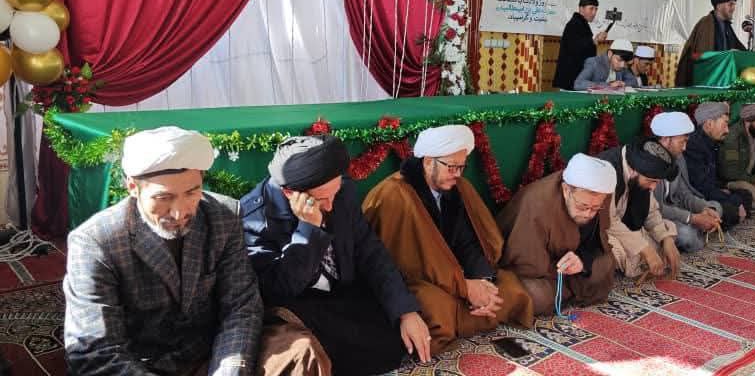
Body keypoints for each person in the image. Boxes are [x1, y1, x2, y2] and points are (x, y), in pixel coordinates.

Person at [64, 127, 321, 376]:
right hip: (140, 364)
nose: (179, 212)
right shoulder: (96, 242)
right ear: (133, 187)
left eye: (191, 193)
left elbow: (241, 307)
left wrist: (229, 371)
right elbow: (95, 351)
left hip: (211, 354)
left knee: (299, 351)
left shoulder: (223, 216)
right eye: (163, 198)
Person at [241, 136, 431, 375]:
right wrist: (308, 230)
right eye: (322, 199)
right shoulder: (255, 217)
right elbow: (279, 289)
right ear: (290, 193)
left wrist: (405, 311)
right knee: (314, 354)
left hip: (343, 294)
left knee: (402, 331)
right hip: (300, 309)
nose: (331, 206)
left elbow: (370, 251)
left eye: (335, 193)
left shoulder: (340, 190)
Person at [362, 125, 533, 355]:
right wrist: (465, 288)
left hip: (455, 275)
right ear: (428, 162)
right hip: (418, 280)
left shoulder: (457, 187)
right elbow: (409, 264)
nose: (458, 174)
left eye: (462, 167)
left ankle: (475, 307)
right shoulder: (394, 196)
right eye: (452, 167)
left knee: (509, 290)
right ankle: (469, 314)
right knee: (436, 310)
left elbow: (469, 242)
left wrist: (482, 281)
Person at [497, 153, 616, 315]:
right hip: (540, 272)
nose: (588, 214)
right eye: (582, 207)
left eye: (595, 208)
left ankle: (566, 292)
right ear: (566, 190)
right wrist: (563, 267)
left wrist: (582, 262)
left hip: (570, 268)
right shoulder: (537, 204)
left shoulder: (599, 198)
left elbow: (596, 243)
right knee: (538, 295)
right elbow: (526, 265)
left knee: (607, 262)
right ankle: (567, 292)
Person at [597, 139, 681, 281]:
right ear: (633, 171)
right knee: (614, 251)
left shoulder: (643, 175)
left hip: (625, 228)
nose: (653, 187)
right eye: (651, 181)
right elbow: (608, 221)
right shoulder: (606, 172)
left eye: (657, 182)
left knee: (664, 240)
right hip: (601, 228)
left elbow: (651, 212)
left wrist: (666, 239)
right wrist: (645, 250)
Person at [651, 112, 722, 253]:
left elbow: (684, 194)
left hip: (676, 210)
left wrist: (704, 208)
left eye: (686, 142)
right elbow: (656, 208)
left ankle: (698, 225)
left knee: (715, 207)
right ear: (666, 139)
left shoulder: (678, 157)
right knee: (687, 236)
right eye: (681, 142)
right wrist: (693, 218)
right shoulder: (649, 162)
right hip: (656, 217)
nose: (684, 148)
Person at [684, 102, 752, 230]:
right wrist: (732, 200)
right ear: (709, 124)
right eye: (724, 124)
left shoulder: (712, 142)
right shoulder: (694, 146)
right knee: (730, 209)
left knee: (745, 195)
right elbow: (700, 187)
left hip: (709, 190)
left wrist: (722, 190)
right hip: (697, 197)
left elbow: (712, 177)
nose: (727, 130)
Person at [674, 0, 746, 87]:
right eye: (730, 4)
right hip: (708, 80)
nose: (733, 8)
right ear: (719, 6)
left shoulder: (727, 26)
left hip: (722, 79)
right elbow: (702, 55)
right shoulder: (706, 23)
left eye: (734, 5)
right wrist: (727, 54)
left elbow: (739, 49)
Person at [553, 0, 606, 90]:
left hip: (575, 79)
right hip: (571, 79)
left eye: (596, 9)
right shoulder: (574, 24)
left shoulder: (581, 23)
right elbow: (576, 48)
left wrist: (594, 41)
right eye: (591, 9)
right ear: (581, 9)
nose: (594, 13)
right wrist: (595, 40)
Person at [574, 39, 638, 90]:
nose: (622, 65)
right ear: (610, 54)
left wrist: (623, 83)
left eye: (625, 61)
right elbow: (579, 84)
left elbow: (634, 81)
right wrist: (608, 85)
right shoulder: (594, 62)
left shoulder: (621, 67)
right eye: (619, 60)